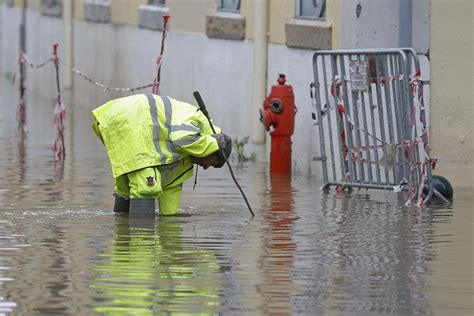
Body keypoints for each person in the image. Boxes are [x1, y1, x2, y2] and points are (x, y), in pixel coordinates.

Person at [91, 94, 232, 215]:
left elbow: (171, 189)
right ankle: (142, 240)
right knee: (146, 187)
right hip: (131, 120)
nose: (206, 167)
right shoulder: (200, 122)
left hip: (125, 124)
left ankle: (123, 238)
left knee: (125, 189)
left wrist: (170, 224)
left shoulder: (184, 159)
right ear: (214, 150)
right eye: (212, 163)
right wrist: (213, 143)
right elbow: (181, 137)